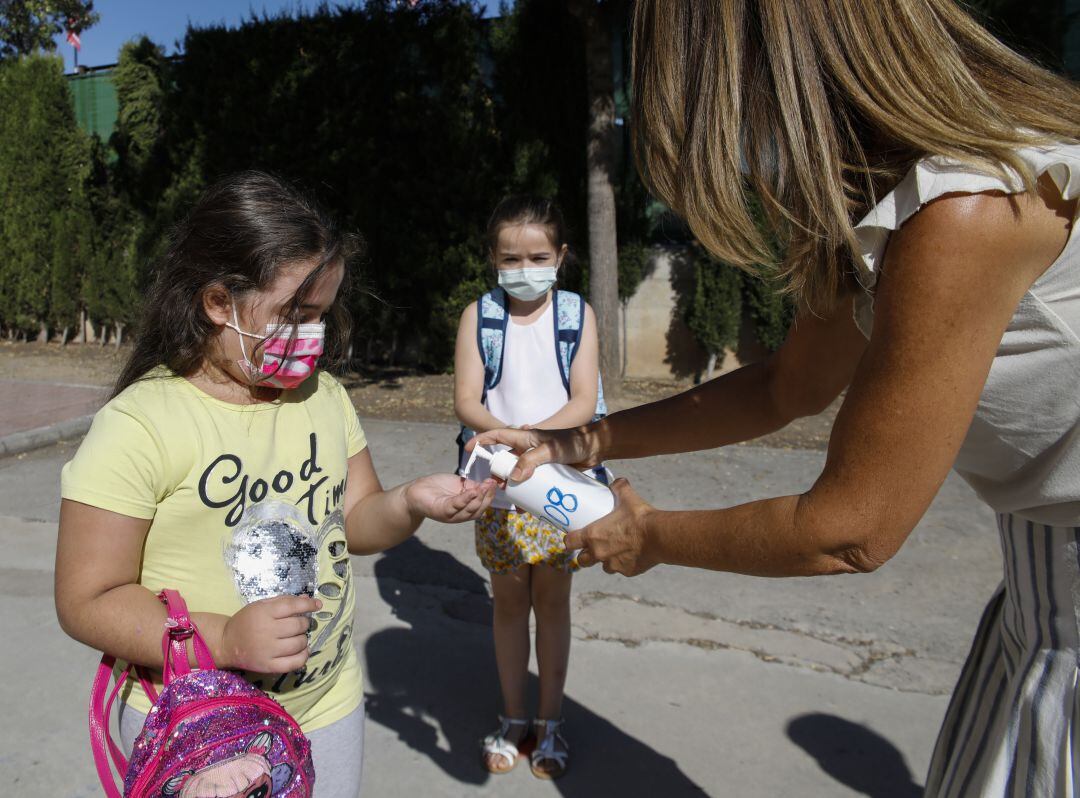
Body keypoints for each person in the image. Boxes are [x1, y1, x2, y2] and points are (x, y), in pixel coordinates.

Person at [470, 2, 1080, 795]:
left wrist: (648, 535)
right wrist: (574, 445)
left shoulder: (968, 211)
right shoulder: (877, 206)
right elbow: (784, 387)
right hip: (1038, 581)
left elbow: (850, 531)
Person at [54, 171, 496, 798]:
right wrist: (227, 639)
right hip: (197, 723)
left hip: (326, 702)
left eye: (321, 313)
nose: (313, 332)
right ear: (217, 302)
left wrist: (408, 502)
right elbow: (87, 599)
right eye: (295, 313)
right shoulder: (139, 425)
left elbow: (357, 519)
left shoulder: (325, 398)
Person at [454, 195, 604, 779]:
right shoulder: (479, 316)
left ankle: (552, 723)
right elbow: (467, 397)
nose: (524, 268)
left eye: (537, 256)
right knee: (509, 604)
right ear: (493, 258)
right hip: (498, 484)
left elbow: (584, 399)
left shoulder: (577, 316)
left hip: (561, 483)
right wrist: (507, 437)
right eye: (510, 258)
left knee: (555, 604)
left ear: (561, 256)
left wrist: (531, 439)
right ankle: (514, 718)